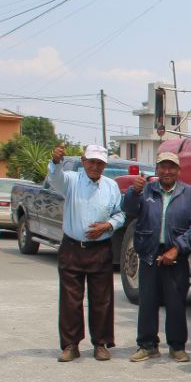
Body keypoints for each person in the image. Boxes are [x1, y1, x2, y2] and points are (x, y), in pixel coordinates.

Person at [46, 144, 126, 362]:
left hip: (100, 249)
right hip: (72, 247)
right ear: (83, 161)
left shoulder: (111, 186)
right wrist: (55, 162)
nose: (95, 166)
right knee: (70, 300)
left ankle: (101, 343)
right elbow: (55, 179)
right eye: (91, 162)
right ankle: (70, 344)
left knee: (102, 299)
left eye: (100, 163)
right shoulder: (71, 180)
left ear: (105, 165)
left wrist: (108, 225)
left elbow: (120, 214)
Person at [122, 151, 191, 362]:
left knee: (176, 304)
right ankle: (147, 345)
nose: (167, 171)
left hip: (176, 256)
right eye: (163, 167)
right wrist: (134, 191)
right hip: (150, 254)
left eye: (171, 167)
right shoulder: (145, 190)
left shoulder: (190, 193)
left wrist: (177, 248)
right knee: (147, 302)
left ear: (178, 170)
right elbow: (128, 209)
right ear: (157, 169)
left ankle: (177, 346)